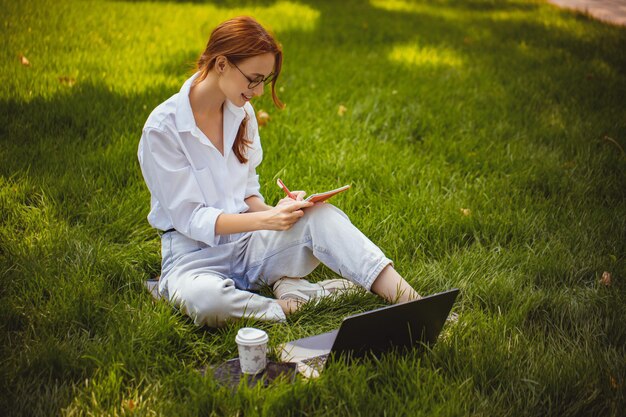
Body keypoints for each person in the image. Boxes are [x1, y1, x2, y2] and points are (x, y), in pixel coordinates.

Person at [137, 16, 421, 328]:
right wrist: (266, 220)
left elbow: (246, 192)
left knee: (321, 216)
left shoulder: (241, 112)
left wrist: (279, 211)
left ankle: (414, 304)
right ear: (221, 64)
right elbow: (190, 219)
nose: (258, 92)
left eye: (264, 81)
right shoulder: (163, 129)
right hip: (193, 257)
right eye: (253, 79)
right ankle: (290, 304)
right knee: (206, 301)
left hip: (247, 242)